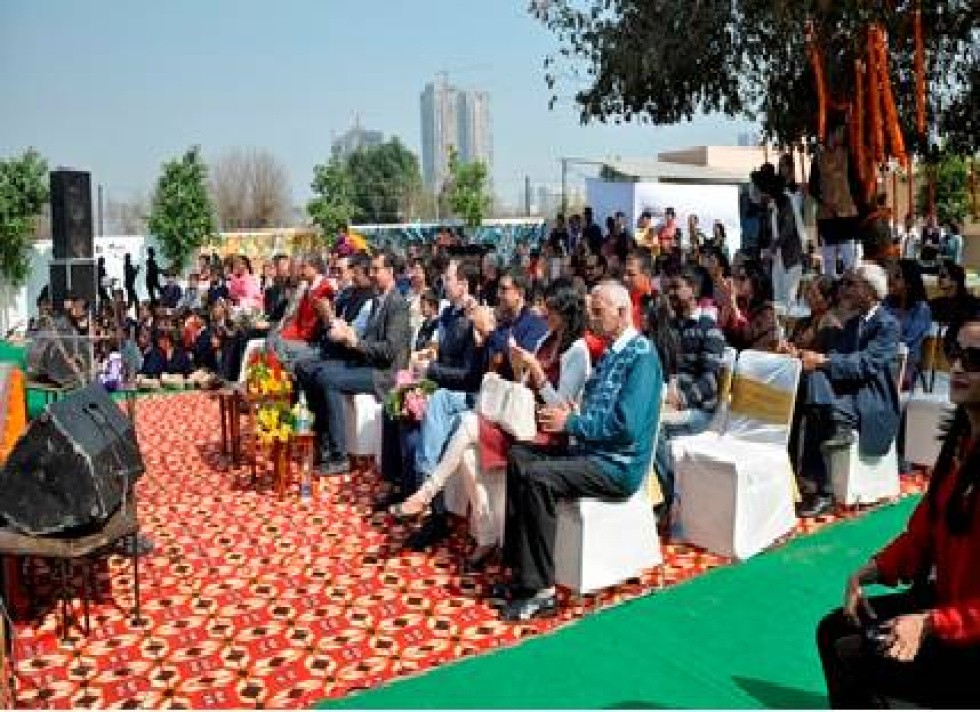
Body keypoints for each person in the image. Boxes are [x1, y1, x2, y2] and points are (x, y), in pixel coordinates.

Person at [815, 317, 980, 708]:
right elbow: (924, 532)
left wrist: (928, 624)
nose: (957, 367)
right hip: (945, 608)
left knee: (860, 656)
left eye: (975, 359)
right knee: (834, 630)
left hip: (968, 633)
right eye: (955, 353)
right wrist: (874, 568)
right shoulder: (960, 444)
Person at [490, 281, 662, 621]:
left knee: (539, 478)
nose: (592, 320)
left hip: (616, 465)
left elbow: (625, 426)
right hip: (592, 453)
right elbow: (592, 412)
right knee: (519, 457)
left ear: (624, 314)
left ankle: (542, 590)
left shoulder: (641, 356)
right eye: (590, 312)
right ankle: (521, 571)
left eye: (598, 313)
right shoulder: (611, 354)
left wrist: (573, 424)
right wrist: (573, 415)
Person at [791, 262, 901, 516]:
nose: (845, 290)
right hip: (844, 394)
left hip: (871, 398)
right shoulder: (853, 324)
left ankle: (823, 490)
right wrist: (802, 355)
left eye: (851, 284)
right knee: (812, 385)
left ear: (870, 290)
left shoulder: (888, 325)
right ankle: (803, 473)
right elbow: (834, 358)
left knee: (817, 407)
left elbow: (866, 364)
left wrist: (824, 361)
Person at [296, 251, 410, 475]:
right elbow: (369, 340)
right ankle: (324, 441)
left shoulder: (398, 305)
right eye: (372, 270)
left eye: (377, 270)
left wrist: (354, 341)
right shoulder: (380, 300)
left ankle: (339, 456)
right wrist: (350, 336)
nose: (372, 274)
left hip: (384, 374)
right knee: (312, 370)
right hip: (367, 364)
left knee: (327, 379)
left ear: (391, 272)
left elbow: (388, 351)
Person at [654, 267, 727, 508]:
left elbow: (711, 382)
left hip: (700, 412)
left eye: (677, 288)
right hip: (670, 402)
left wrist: (682, 399)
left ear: (693, 291)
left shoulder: (710, 329)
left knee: (656, 427)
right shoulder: (670, 328)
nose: (671, 293)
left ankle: (673, 495)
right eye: (670, 288)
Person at [808, 113, 863, 277]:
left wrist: (853, 203)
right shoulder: (818, 156)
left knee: (849, 261)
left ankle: (852, 294)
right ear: (832, 132)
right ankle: (831, 293)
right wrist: (823, 201)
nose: (843, 135)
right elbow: (812, 186)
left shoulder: (848, 155)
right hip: (826, 216)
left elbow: (855, 183)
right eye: (841, 131)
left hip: (847, 214)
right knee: (829, 262)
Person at [884, 259, 932, 390]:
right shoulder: (886, 303)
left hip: (906, 363)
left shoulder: (921, 308)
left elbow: (908, 340)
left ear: (910, 281)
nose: (890, 280)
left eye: (897, 276)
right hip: (882, 357)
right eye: (890, 275)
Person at [717, 261, 779, 352]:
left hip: (754, 359)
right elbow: (721, 330)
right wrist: (727, 303)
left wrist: (732, 303)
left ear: (755, 281)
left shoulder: (767, 310)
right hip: (737, 355)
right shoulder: (740, 305)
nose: (737, 282)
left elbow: (746, 335)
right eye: (736, 278)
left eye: (742, 278)